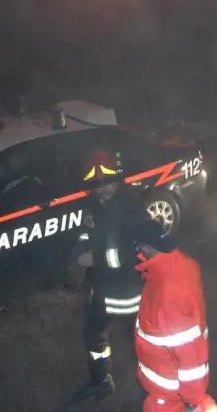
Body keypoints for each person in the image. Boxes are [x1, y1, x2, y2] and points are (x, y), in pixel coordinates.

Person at [68, 148, 162, 405]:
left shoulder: (132, 207)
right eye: (96, 184)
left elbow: (138, 251)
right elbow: (86, 233)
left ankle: (154, 394)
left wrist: (96, 258)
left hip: (128, 292)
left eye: (107, 182)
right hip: (100, 288)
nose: (102, 189)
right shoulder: (93, 204)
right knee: (93, 337)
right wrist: (80, 251)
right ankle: (100, 382)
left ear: (118, 178)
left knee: (141, 345)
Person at [133, 235, 217, 412]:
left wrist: (195, 400)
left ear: (148, 248)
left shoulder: (169, 297)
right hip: (172, 391)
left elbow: (189, 353)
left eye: (138, 246)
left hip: (168, 395)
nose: (136, 251)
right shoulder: (180, 264)